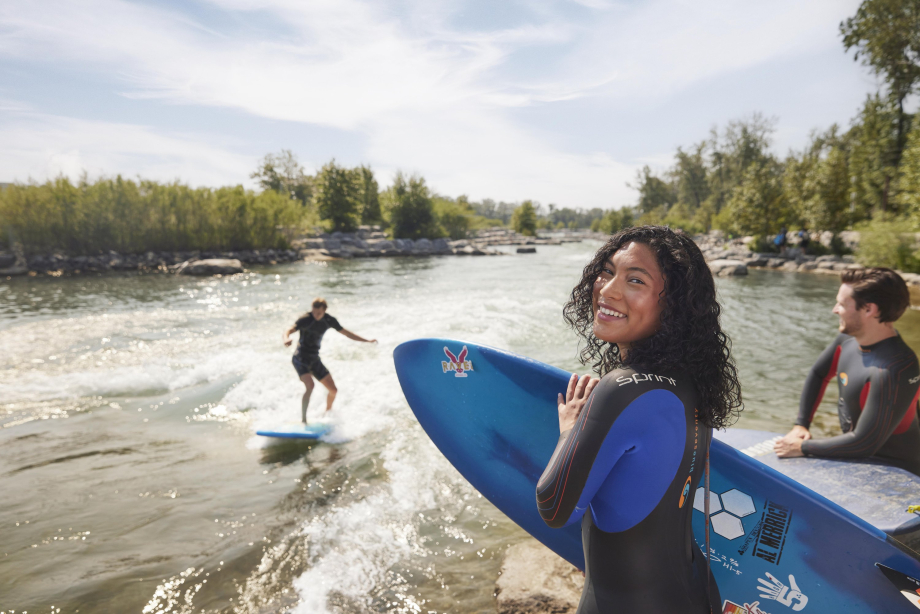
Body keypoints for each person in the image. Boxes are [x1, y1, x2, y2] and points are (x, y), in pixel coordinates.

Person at [536, 226, 742, 613]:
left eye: (635, 280)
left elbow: (555, 506)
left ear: (673, 306)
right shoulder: (690, 381)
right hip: (694, 593)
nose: (608, 290)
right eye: (607, 271)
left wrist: (569, 431)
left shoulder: (624, 388)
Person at [775, 268, 920, 475]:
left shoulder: (896, 367)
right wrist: (801, 424)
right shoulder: (848, 340)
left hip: (898, 471)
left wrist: (802, 447)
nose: (835, 310)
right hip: (855, 458)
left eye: (842, 304)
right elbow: (819, 374)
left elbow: (864, 443)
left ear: (869, 309)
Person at [282, 298, 377, 422]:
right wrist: (286, 339)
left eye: (319, 313)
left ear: (324, 311)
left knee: (333, 390)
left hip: (314, 359)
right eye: (314, 312)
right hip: (300, 358)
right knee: (310, 386)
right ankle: (304, 420)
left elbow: (347, 333)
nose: (316, 315)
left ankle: (327, 413)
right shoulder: (305, 319)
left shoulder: (329, 320)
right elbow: (289, 330)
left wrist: (367, 340)